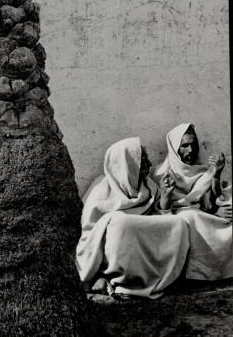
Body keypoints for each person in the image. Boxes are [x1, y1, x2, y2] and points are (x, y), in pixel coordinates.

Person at [76, 137, 190, 299]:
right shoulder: (101, 189)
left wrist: (165, 196)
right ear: (128, 163)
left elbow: (157, 222)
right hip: (112, 251)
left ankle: (163, 279)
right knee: (120, 222)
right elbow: (88, 236)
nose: (149, 164)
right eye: (143, 161)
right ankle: (117, 279)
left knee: (178, 223)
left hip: (143, 245)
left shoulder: (149, 186)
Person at [153, 123, 233, 280]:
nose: (190, 151)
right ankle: (196, 273)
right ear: (175, 149)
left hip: (204, 216)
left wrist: (215, 176)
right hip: (180, 220)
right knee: (188, 217)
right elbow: (159, 212)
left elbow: (209, 204)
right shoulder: (160, 174)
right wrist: (165, 196)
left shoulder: (204, 171)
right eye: (184, 146)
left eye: (193, 145)